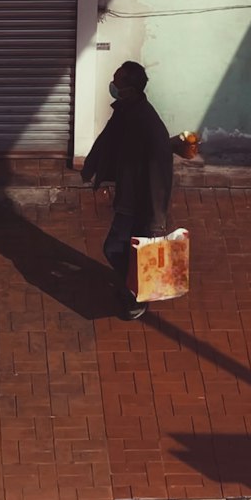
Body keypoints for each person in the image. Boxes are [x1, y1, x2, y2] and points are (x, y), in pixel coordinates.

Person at [81, 61, 183, 320]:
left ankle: (137, 293)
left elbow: (159, 174)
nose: (113, 86)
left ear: (129, 88)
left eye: (117, 81)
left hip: (140, 203)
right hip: (128, 195)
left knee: (116, 248)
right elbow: (108, 139)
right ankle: (133, 287)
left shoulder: (148, 125)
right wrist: (92, 167)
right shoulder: (126, 111)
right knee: (126, 248)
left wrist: (157, 220)